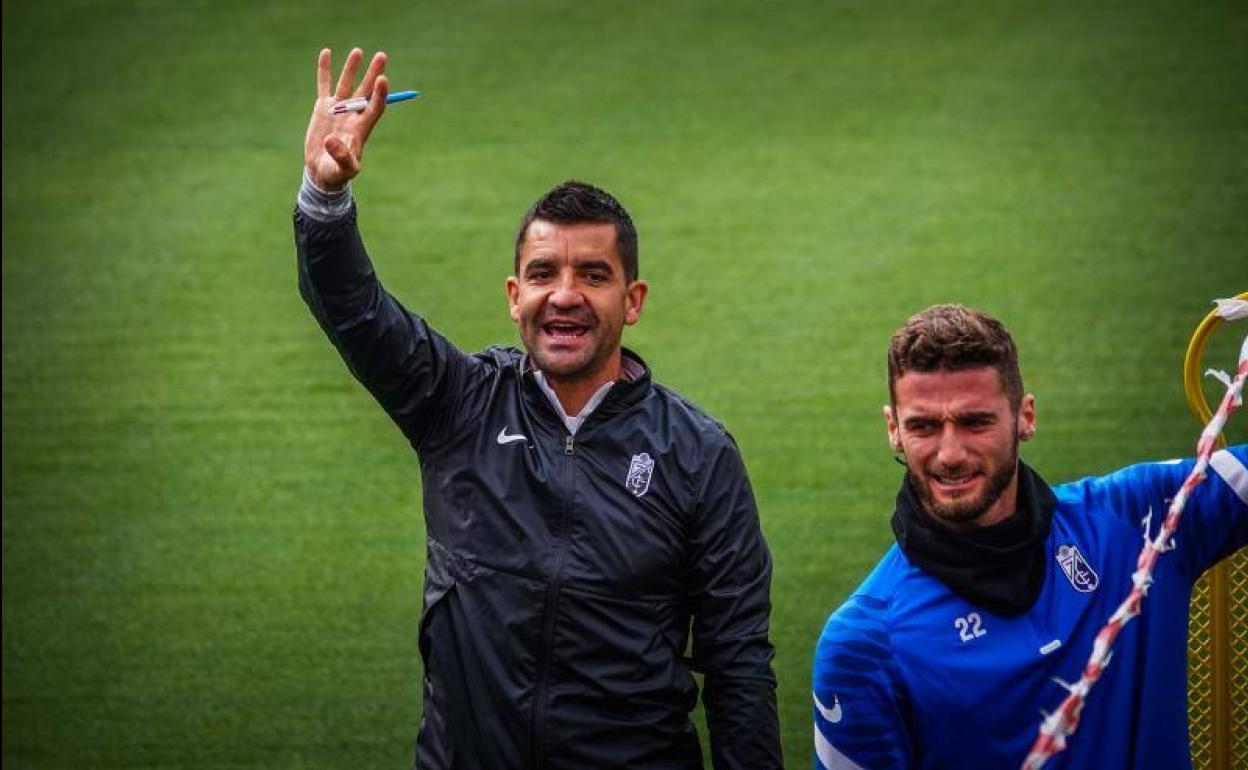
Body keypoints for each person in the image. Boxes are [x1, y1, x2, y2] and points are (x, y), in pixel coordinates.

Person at [294, 48, 781, 769]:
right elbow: (354, 312)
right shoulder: (457, 401)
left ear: (633, 301)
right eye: (543, 274)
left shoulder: (698, 454)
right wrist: (324, 196)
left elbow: (737, 664)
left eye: (594, 275)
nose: (565, 295)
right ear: (513, 295)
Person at [811, 304, 1247, 770]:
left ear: (1026, 416)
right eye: (923, 426)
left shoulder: (1140, 519)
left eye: (976, 422)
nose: (950, 453)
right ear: (893, 429)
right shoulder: (862, 645)